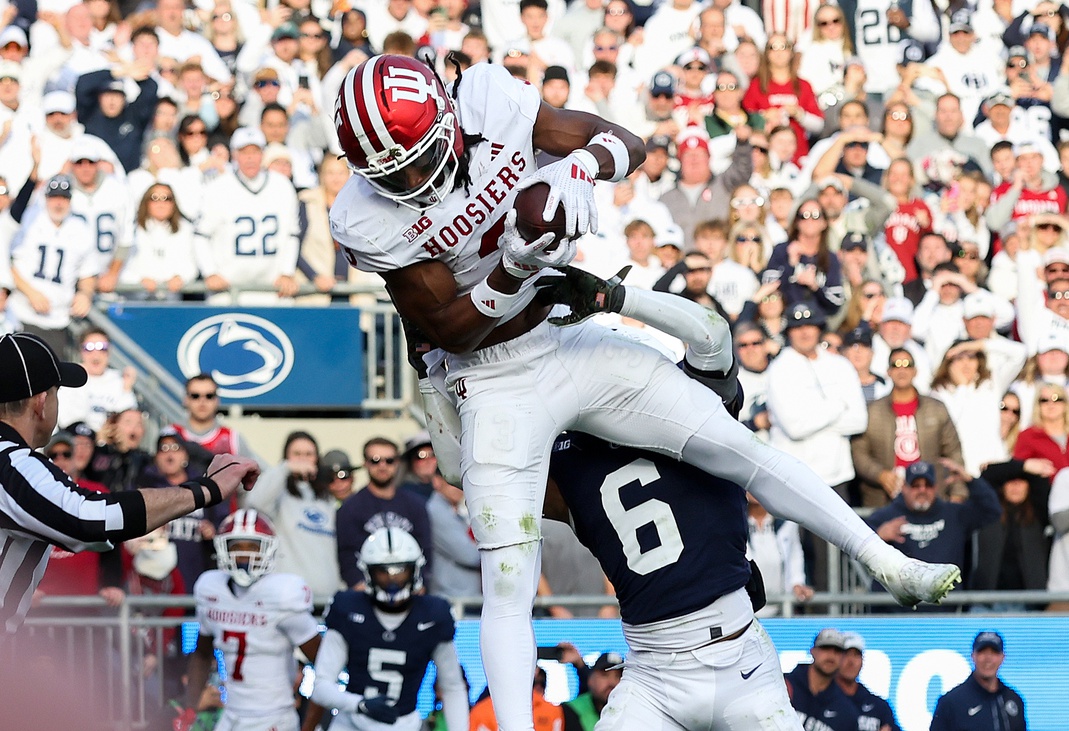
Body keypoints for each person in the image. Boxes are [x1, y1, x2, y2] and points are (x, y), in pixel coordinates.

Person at [332, 54, 958, 731]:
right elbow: (449, 328)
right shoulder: (365, 216)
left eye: (421, 161)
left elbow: (626, 143)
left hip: (562, 336)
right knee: (506, 575)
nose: (417, 182)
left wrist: (579, 167)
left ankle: (885, 560)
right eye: (394, 176)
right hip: (487, 371)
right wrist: (513, 266)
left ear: (450, 119)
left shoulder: (486, 98)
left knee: (732, 443)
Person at [0, 332, 258, 634]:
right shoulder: (11, 461)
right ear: (41, 403)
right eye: (57, 392)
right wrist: (207, 489)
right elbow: (89, 518)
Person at [310, 527, 469, 730]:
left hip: (404, 725)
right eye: (383, 572)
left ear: (414, 570)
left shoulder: (433, 616)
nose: (392, 580)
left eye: (400, 571)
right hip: (351, 723)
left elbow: (452, 687)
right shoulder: (348, 609)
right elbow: (321, 686)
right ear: (368, 572)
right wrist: (359, 705)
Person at [183, 509, 323, 731]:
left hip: (273, 718)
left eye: (253, 547)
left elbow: (324, 664)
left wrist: (309, 724)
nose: (244, 555)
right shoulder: (211, 589)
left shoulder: (282, 593)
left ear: (268, 549)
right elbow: (201, 653)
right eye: (236, 546)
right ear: (222, 548)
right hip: (231, 714)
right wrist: (190, 707)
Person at [866, 460, 1002, 609]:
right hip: (897, 615)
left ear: (936, 488)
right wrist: (879, 535)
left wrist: (970, 480)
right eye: (915, 485)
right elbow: (852, 543)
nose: (922, 490)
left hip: (945, 615)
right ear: (904, 488)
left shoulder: (954, 514)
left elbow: (992, 510)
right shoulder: (885, 516)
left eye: (928, 485)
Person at [851, 348, 964, 507]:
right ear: (888, 372)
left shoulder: (936, 408)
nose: (902, 370)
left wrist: (958, 493)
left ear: (915, 371)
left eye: (907, 364)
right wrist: (880, 475)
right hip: (885, 500)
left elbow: (953, 452)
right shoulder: (872, 411)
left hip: (931, 495)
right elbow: (859, 452)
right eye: (896, 365)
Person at [244, 430, 342, 600]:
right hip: (289, 597)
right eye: (296, 454)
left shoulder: (327, 498)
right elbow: (255, 502)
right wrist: (286, 468)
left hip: (326, 597)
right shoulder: (279, 495)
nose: (303, 459)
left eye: (309, 454)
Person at [335, 437, 433, 589]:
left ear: (397, 463)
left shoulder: (416, 506)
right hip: (367, 594)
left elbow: (426, 549)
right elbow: (346, 555)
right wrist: (359, 585)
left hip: (410, 594)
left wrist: (421, 584)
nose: (382, 466)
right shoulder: (350, 508)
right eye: (375, 460)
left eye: (389, 460)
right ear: (365, 463)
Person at [930, 631, 1027, 731]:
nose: (988, 659)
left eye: (994, 652)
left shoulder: (1014, 700)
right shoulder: (951, 702)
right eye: (982, 652)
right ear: (973, 656)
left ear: (1002, 658)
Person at [783, 629, 861, 731]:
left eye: (837, 651)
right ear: (813, 651)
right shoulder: (783, 686)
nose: (831, 655)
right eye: (825, 648)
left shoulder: (846, 711)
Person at [836, 632, 901, 731]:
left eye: (856, 655)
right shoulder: (820, 700)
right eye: (846, 654)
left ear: (862, 661)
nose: (851, 661)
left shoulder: (878, 707)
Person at [562, 652, 623, 731]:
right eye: (605, 675)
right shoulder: (570, 711)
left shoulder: (635, 711)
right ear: (590, 680)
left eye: (618, 676)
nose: (612, 682)